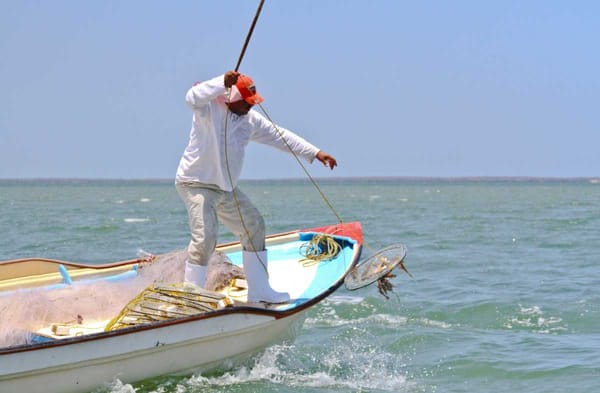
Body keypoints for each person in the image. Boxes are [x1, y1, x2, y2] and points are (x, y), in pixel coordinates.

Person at [175, 71, 337, 303]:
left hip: (225, 189)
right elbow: (191, 97)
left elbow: (280, 136)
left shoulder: (250, 121)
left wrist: (315, 153)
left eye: (253, 103)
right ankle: (191, 297)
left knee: (254, 225)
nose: (250, 108)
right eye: (246, 103)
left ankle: (260, 290)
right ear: (231, 98)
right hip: (196, 183)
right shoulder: (208, 109)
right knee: (206, 236)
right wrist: (222, 82)